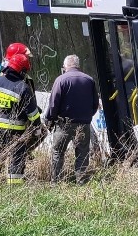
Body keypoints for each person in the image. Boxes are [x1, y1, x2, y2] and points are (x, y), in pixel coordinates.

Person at [0, 53, 41, 185]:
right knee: (17, 156)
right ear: (21, 71)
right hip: (15, 131)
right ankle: (15, 186)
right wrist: (37, 128)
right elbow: (33, 114)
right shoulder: (23, 87)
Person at [46, 54, 99, 184]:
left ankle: (55, 182)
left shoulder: (61, 80)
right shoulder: (89, 80)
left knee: (58, 152)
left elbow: (53, 104)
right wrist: (87, 117)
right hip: (83, 124)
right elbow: (95, 104)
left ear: (66, 66)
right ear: (77, 65)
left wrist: (50, 119)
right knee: (82, 154)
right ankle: (81, 182)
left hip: (64, 124)